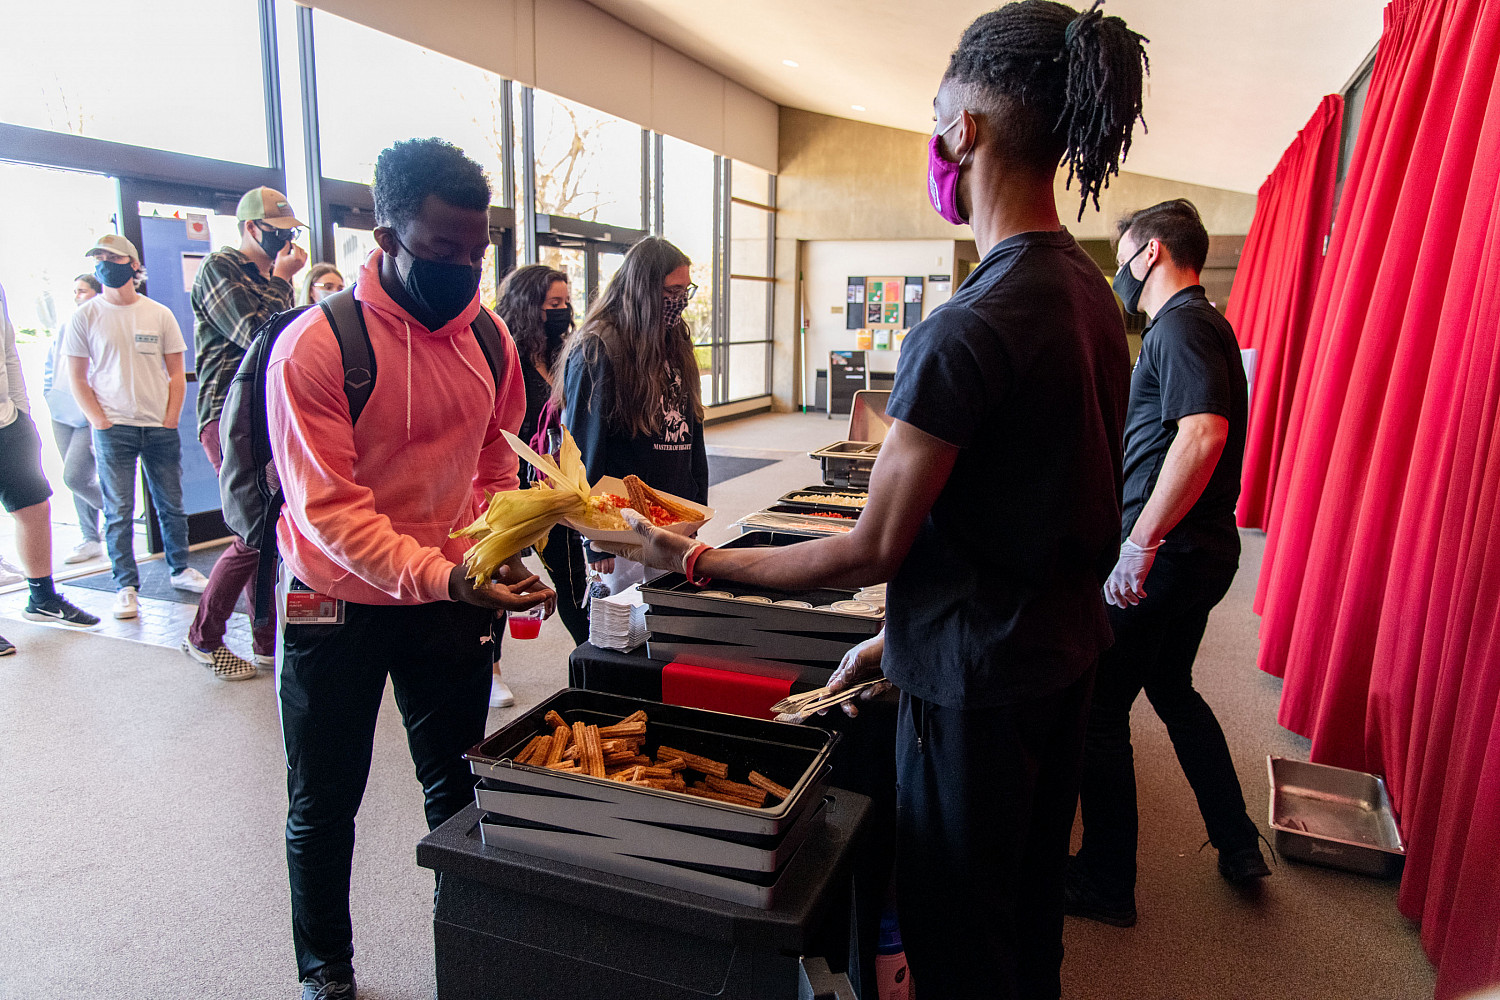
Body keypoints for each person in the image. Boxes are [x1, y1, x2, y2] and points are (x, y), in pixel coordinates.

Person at [598, 4, 1145, 996]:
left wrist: (686, 558)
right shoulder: (1087, 293)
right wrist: (897, 643)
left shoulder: (967, 323)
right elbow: (1032, 498)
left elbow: (869, 548)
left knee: (959, 940)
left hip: (979, 690)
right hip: (1060, 660)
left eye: (935, 112)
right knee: (1028, 925)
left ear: (964, 127)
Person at [267, 137, 555, 1000]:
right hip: (335, 600)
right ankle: (327, 968)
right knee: (324, 802)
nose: (464, 270)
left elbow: (494, 470)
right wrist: (446, 576)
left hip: (446, 597)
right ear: (385, 233)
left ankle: (464, 947)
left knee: (461, 790)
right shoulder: (314, 349)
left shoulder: (493, 341)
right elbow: (332, 513)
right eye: (441, 252)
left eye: (478, 253)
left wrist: (491, 551)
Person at [1066, 198, 1266, 927]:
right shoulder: (1197, 325)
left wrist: (1138, 540)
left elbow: (1203, 434)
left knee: (1098, 715)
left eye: (1121, 254)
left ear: (1149, 252)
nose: (1116, 270)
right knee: (1173, 690)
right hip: (1202, 553)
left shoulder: (1181, 325)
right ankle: (1239, 841)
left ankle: (1106, 882)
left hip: (1168, 557)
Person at [184, 187, 308, 680]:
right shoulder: (221, 267)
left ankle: (265, 641)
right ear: (252, 228)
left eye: (292, 230)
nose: (287, 238)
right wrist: (281, 279)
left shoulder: (268, 276)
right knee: (253, 530)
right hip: (228, 415)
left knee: (271, 526)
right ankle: (203, 637)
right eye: (279, 228)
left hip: (269, 412)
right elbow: (262, 332)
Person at [65, 234, 208, 622]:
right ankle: (125, 585)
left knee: (171, 504)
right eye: (98, 258)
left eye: (111, 257)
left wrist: (171, 416)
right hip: (113, 428)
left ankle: (180, 568)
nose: (104, 263)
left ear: (132, 263)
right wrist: (99, 420)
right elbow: (77, 376)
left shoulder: (158, 313)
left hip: (158, 424)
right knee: (119, 509)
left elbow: (177, 372)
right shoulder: (85, 316)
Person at [555, 236, 708, 595]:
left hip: (672, 514)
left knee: (668, 613)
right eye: (672, 291)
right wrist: (594, 539)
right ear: (644, 290)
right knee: (622, 629)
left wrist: (696, 506)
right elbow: (583, 448)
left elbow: (693, 430)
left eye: (686, 290)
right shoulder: (599, 346)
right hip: (621, 524)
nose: (680, 301)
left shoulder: (674, 337)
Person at [0, 281, 101, 655]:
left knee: (34, 506)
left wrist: (21, 413)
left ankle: (42, 598)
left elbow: (9, 351)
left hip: (7, 420)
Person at [495, 263, 589, 653]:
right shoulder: (504, 355)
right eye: (554, 302)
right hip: (507, 484)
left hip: (554, 485)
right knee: (500, 572)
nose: (563, 311)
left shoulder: (562, 355)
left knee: (572, 580)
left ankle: (591, 652)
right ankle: (494, 663)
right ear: (528, 305)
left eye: (566, 302)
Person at [42, 273, 106, 564]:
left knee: (75, 477)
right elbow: (52, 361)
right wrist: (49, 393)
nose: (77, 296)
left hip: (87, 412)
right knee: (78, 478)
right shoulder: (68, 322)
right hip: (61, 409)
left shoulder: (102, 323)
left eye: (82, 291)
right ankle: (89, 538)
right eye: (75, 291)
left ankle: (118, 516)